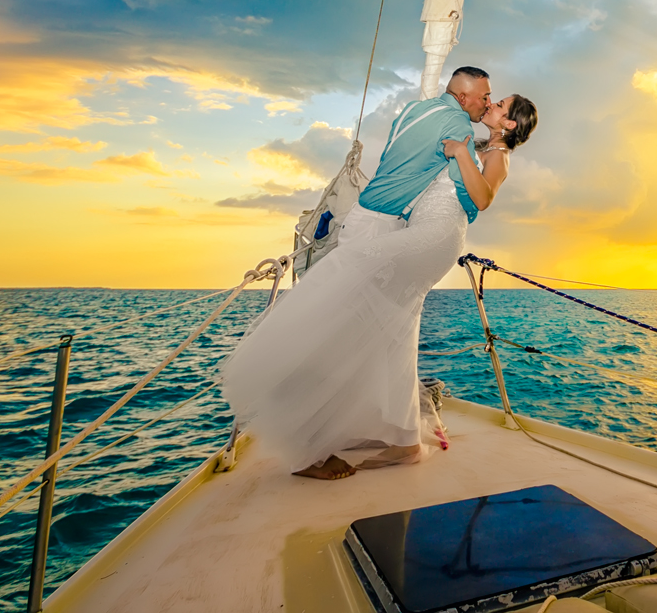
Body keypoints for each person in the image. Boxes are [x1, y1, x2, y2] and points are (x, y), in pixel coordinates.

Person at [219, 67, 538, 481]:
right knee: (392, 334)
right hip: (423, 235)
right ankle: (402, 440)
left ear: (509, 124)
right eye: (488, 97)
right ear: (464, 96)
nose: (490, 103)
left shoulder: (493, 154)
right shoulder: (468, 136)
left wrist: (460, 153)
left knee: (342, 282)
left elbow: (482, 198)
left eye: (498, 103)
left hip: (433, 239)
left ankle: (298, 399)